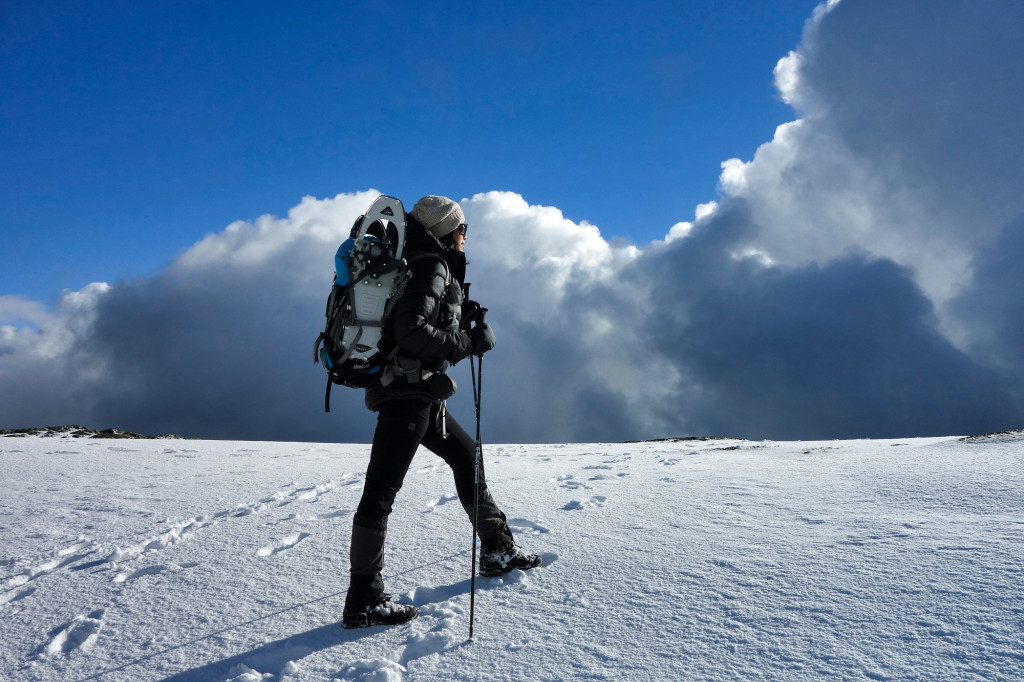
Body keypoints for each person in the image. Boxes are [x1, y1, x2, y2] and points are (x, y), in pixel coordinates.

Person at [342, 195, 541, 629]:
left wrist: (461, 315)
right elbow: (411, 331)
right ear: (448, 230)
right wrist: (470, 344)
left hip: (417, 394)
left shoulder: (419, 263)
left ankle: (497, 549)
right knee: (379, 495)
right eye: (463, 228)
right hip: (407, 397)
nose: (466, 236)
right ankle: (363, 600)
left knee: (466, 456)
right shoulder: (431, 265)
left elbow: (420, 318)